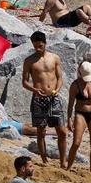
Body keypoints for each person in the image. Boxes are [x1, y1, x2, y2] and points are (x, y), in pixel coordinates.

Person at [21, 31, 67, 168]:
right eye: (35, 46)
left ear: (45, 43)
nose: (37, 48)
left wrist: (57, 90)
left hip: (54, 97)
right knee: (41, 132)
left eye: (40, 46)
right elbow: (24, 82)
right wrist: (34, 90)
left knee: (62, 131)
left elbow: (60, 78)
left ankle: (63, 160)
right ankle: (44, 160)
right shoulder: (29, 61)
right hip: (38, 99)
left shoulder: (54, 58)